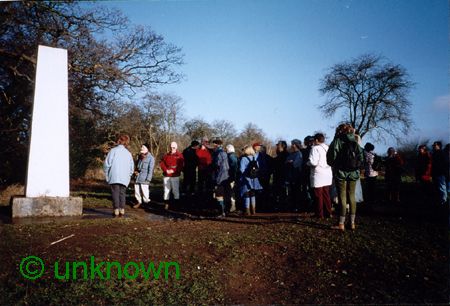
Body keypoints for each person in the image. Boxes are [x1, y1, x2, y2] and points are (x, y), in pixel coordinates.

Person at [327, 123, 363, 231]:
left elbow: (330, 159)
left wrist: (335, 165)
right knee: (351, 196)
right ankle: (352, 223)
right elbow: (361, 157)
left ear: (340, 131)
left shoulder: (337, 141)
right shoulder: (355, 141)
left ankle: (341, 223)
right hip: (353, 173)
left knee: (342, 197)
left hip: (340, 173)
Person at [103, 134, 135, 217]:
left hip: (114, 176)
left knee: (115, 193)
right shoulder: (128, 154)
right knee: (122, 193)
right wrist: (129, 175)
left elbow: (107, 164)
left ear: (119, 141)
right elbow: (132, 167)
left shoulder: (113, 151)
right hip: (124, 177)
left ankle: (116, 209)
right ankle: (122, 209)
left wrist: (106, 174)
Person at [307, 133, 333, 218]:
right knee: (326, 194)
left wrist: (308, 163)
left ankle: (319, 214)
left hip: (318, 173)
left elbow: (313, 162)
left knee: (318, 195)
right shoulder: (327, 147)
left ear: (317, 140)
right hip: (328, 172)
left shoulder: (315, 148)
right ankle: (328, 212)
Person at [160, 142, 184, 210]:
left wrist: (174, 170)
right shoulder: (166, 155)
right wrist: (165, 170)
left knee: (175, 190)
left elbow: (181, 165)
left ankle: (176, 204)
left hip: (175, 175)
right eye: (171, 147)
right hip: (166, 175)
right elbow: (162, 163)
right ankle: (166, 203)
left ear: (176, 147)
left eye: (173, 147)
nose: (172, 148)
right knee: (166, 190)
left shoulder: (179, 155)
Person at [239, 145, 263, 215]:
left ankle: (247, 211)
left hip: (245, 178)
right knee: (252, 194)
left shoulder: (243, 159)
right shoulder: (254, 158)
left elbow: (241, 169)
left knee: (246, 194)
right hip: (254, 179)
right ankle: (253, 210)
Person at [133, 143, 155, 209]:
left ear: (147, 149)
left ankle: (146, 203)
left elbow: (150, 170)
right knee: (136, 190)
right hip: (137, 177)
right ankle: (139, 202)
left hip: (145, 178)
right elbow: (137, 166)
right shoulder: (140, 156)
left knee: (145, 191)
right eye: (141, 147)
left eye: (143, 147)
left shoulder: (151, 158)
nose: (141, 148)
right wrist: (135, 171)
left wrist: (148, 179)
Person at [211, 139, 230, 217]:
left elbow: (217, 166)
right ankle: (225, 211)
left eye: (213, 144)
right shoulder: (224, 153)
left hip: (220, 177)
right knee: (225, 195)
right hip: (226, 176)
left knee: (219, 196)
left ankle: (221, 212)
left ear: (216, 144)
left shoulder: (218, 154)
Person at [285, 139, 303, 211]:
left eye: (293, 144)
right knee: (291, 192)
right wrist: (289, 162)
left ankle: (297, 206)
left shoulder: (299, 154)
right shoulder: (291, 154)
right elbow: (286, 162)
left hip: (296, 176)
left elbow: (296, 164)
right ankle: (292, 206)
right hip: (290, 176)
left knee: (296, 192)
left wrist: (290, 162)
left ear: (296, 145)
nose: (292, 145)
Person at [273, 140, 289, 209]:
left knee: (283, 191)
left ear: (283, 146)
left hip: (283, 175)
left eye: (278, 145)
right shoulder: (279, 155)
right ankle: (279, 205)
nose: (277, 147)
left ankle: (283, 206)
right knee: (277, 191)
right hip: (277, 175)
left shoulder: (286, 155)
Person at [226, 144, 238, 212]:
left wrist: (232, 177)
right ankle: (232, 206)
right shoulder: (233, 155)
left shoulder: (231, 156)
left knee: (231, 192)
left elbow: (234, 167)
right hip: (232, 176)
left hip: (231, 177)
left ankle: (232, 206)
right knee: (231, 192)